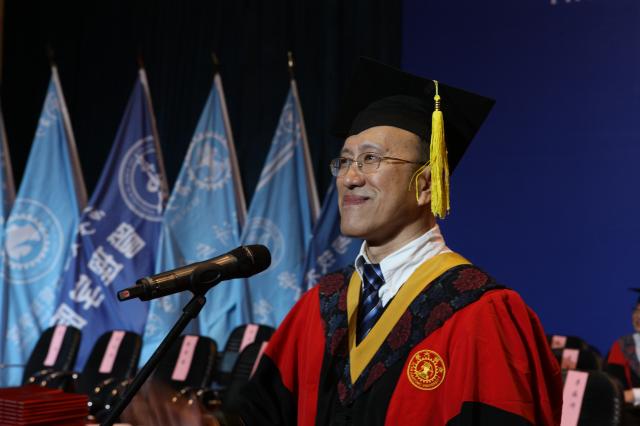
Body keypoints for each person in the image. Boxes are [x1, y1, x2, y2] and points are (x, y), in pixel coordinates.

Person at [221, 58, 563, 425]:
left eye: (370, 159)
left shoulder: (480, 313)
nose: (349, 178)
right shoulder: (322, 305)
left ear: (426, 184)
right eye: (345, 161)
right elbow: (258, 416)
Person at [606, 289, 640, 424]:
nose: (638, 316)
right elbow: (615, 390)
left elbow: (629, 395)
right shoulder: (622, 346)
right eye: (636, 310)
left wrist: (635, 394)